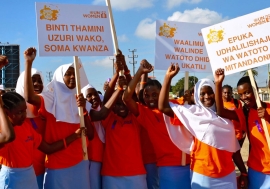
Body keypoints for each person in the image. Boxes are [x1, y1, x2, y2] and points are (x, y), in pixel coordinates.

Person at [158, 64, 247, 189]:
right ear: (197, 96)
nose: (206, 96)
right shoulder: (192, 113)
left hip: (228, 174)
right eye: (202, 93)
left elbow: (233, 148)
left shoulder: (226, 114)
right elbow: (163, 107)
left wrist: (243, 171)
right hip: (203, 174)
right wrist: (168, 78)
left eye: (210, 92)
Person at [23, 47, 94, 189]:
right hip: (57, 165)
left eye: (75, 74)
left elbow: (90, 135)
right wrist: (28, 63)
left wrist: (84, 110)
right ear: (60, 77)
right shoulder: (50, 98)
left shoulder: (80, 98)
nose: (73, 77)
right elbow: (30, 97)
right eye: (68, 74)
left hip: (81, 161)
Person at [123, 60, 191, 189]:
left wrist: (190, 98)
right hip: (167, 167)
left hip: (190, 163)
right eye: (146, 96)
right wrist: (140, 72)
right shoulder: (145, 113)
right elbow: (126, 98)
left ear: (163, 93)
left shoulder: (177, 105)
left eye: (155, 94)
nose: (150, 98)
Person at [0, 92, 83, 189]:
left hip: (30, 176)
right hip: (11, 179)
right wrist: (0, 108)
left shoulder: (26, 127)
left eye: (25, 111)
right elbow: (9, 136)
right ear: (6, 112)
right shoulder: (3, 132)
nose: (24, 115)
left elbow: (48, 148)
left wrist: (74, 136)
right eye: (19, 112)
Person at [218, 72, 270, 189]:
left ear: (256, 90)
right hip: (257, 171)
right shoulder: (244, 113)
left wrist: (268, 118)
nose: (244, 97)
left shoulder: (269, 109)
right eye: (240, 94)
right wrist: (218, 83)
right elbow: (220, 112)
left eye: (247, 92)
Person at [15, 68, 46, 188]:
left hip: (45, 170)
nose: (37, 84)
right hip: (22, 173)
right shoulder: (13, 115)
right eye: (32, 80)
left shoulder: (48, 109)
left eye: (39, 80)